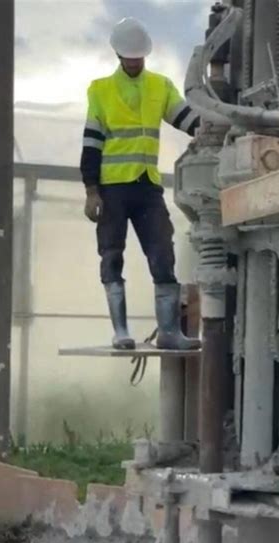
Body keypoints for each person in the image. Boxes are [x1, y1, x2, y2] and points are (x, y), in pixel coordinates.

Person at [80, 17, 201, 350]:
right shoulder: (100, 90)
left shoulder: (159, 86)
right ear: (119, 55)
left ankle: (168, 332)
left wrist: (210, 128)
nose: (134, 62)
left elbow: (186, 118)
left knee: (163, 252)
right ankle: (121, 332)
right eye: (129, 57)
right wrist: (91, 190)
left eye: (139, 57)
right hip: (112, 188)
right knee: (112, 255)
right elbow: (91, 142)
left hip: (146, 186)